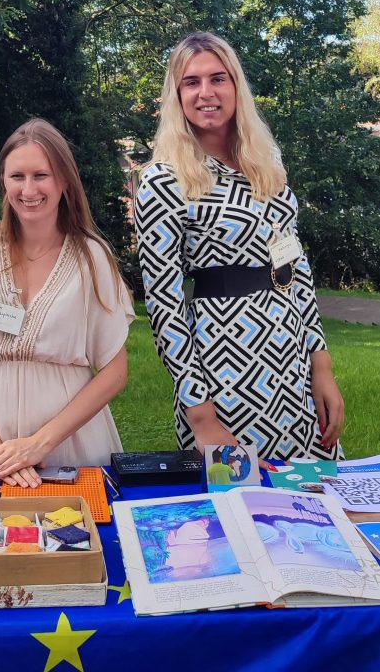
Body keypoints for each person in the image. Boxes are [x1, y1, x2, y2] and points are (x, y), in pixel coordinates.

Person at [135, 32, 344, 461]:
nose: (206, 92)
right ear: (177, 95)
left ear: (236, 86)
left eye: (218, 78)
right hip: (224, 368)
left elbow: (295, 269)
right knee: (241, 511)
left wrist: (321, 366)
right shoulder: (163, 180)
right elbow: (164, 304)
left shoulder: (266, 165)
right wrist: (200, 414)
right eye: (191, 82)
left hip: (292, 361)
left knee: (314, 504)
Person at [0, 118, 134, 487]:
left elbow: (115, 371)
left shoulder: (91, 256)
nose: (29, 189)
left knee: (76, 536)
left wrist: (39, 444)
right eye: (17, 176)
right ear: (4, 181)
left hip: (70, 443)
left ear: (64, 181)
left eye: (41, 175)